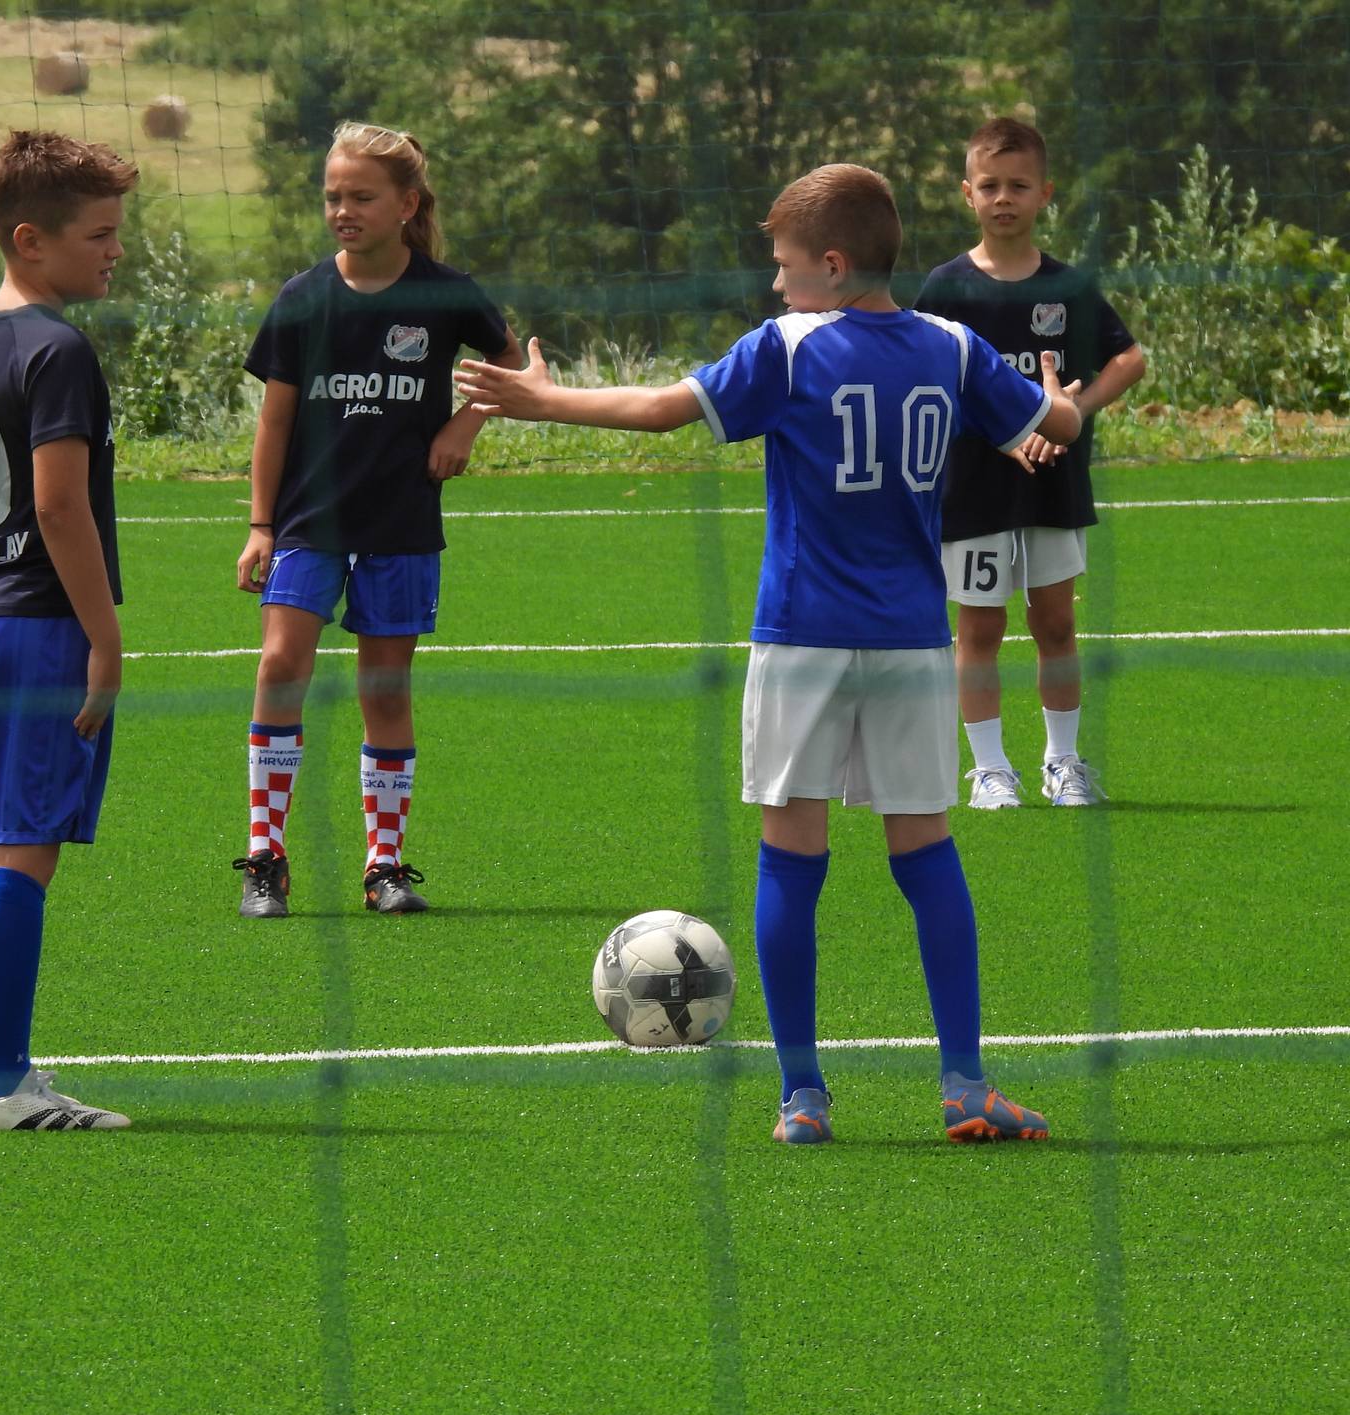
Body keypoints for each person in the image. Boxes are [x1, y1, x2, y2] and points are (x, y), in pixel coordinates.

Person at [457, 164, 1079, 1145]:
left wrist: (544, 400)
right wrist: (1055, 401)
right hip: (914, 642)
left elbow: (663, 409)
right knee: (926, 855)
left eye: (785, 266)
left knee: (792, 859)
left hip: (801, 638)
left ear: (830, 265)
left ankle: (802, 1098)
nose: (776, 284)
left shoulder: (788, 347)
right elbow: (1058, 425)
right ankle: (965, 1084)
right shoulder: (953, 347)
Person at [232, 120, 522, 918]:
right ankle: (265, 857)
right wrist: (260, 525)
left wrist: (465, 424)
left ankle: (384, 866)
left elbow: (515, 362)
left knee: (384, 692)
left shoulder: (445, 292)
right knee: (279, 665)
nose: (343, 211)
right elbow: (274, 423)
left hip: (401, 521)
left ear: (407, 205)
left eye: (361, 197)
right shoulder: (302, 299)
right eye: (333, 197)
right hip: (309, 521)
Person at [0, 130, 137, 1131]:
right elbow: (57, 505)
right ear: (29, 239)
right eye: (98, 235)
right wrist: (104, 637)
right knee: (22, 851)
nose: (115, 251)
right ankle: (2, 1085)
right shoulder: (58, 349)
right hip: (34, 629)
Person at [916, 117, 1145, 809]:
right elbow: (924, 380)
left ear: (1045, 194)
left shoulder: (1069, 287)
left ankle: (1063, 763)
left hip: (1053, 485)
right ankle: (990, 771)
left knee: (1056, 624)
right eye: (989, 185)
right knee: (980, 628)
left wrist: (1072, 413)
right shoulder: (946, 288)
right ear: (968, 194)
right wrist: (1000, 431)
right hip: (974, 487)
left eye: (1019, 186)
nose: (1003, 198)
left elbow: (1128, 358)